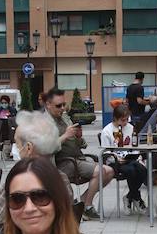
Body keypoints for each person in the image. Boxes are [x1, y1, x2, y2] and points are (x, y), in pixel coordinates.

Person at [49, 87, 115, 221]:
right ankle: (87, 206)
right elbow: (47, 148)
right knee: (101, 171)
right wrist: (65, 136)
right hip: (63, 162)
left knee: (110, 171)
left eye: (64, 105)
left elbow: (82, 144)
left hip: (78, 158)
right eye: (58, 106)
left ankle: (83, 202)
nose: (62, 108)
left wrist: (79, 137)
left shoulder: (65, 117)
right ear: (48, 105)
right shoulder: (45, 123)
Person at [100, 105, 149, 212]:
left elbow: (135, 145)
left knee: (142, 170)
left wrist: (137, 156)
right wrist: (116, 158)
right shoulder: (107, 131)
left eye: (127, 119)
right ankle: (136, 198)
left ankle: (129, 197)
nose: (125, 122)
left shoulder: (130, 128)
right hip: (114, 161)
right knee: (131, 171)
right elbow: (106, 151)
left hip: (129, 158)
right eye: (123, 120)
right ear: (115, 118)